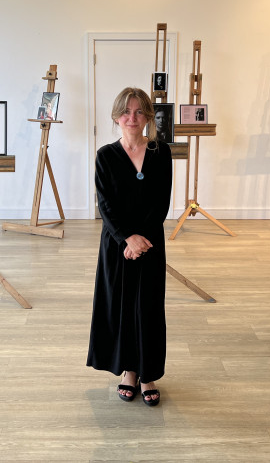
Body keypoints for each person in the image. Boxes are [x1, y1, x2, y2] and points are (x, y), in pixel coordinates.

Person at [87, 87, 172, 407]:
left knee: (148, 307)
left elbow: (161, 202)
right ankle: (128, 372)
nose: (132, 117)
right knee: (121, 307)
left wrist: (141, 240)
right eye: (126, 111)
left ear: (149, 116)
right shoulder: (105, 155)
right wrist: (126, 238)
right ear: (116, 117)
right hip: (116, 245)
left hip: (150, 242)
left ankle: (148, 373)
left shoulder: (161, 153)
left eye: (139, 112)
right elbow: (105, 205)